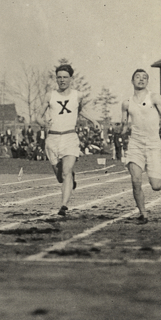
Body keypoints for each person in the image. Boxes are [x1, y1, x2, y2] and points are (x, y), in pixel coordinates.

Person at [41, 62, 100, 218]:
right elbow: (37, 117)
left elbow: (81, 111)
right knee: (61, 177)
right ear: (56, 79)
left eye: (65, 77)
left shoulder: (77, 95)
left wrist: (93, 120)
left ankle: (63, 206)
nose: (62, 80)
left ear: (70, 79)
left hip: (69, 137)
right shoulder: (50, 95)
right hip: (52, 139)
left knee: (66, 172)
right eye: (59, 77)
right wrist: (43, 123)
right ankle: (70, 178)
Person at [121, 68, 161, 224]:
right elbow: (124, 125)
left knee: (156, 185)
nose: (141, 79)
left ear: (147, 81)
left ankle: (156, 171)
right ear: (132, 81)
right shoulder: (126, 103)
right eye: (137, 77)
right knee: (135, 181)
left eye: (144, 77)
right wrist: (122, 130)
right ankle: (143, 213)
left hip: (153, 144)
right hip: (135, 145)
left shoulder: (155, 98)